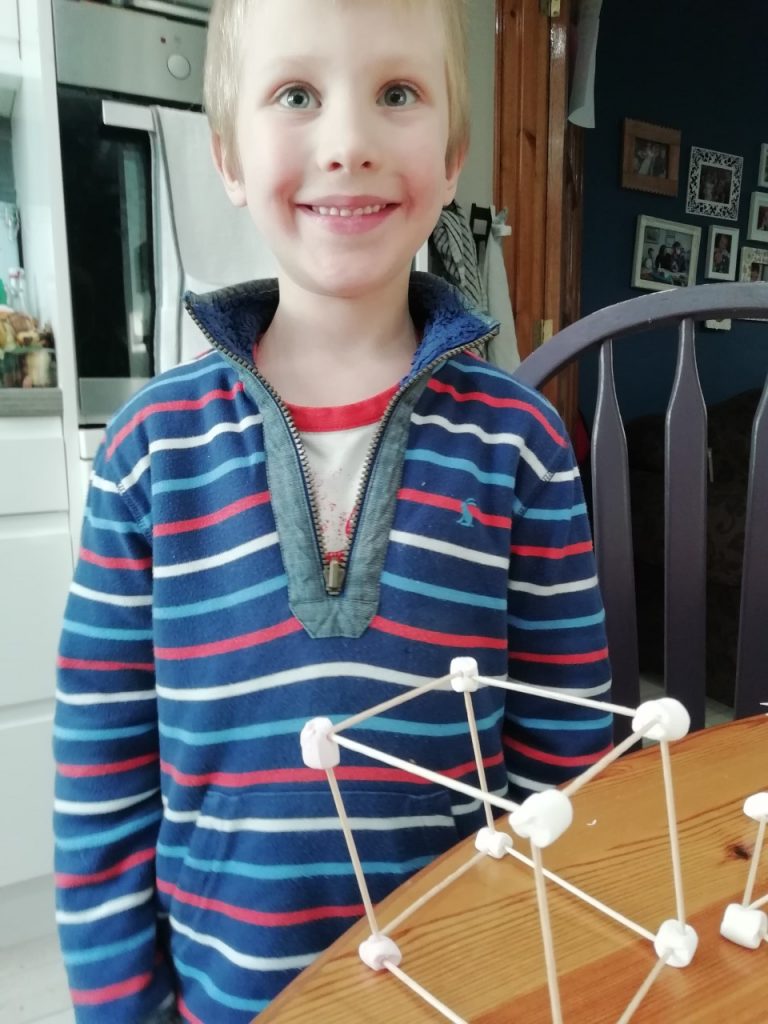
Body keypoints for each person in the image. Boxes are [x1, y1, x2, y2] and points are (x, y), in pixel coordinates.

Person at [53, 2, 612, 1022]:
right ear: (229, 154)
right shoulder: (146, 456)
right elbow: (101, 785)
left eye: (396, 92)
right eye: (297, 94)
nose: (348, 142)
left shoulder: (523, 446)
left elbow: (570, 770)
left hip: (467, 996)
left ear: (453, 155)